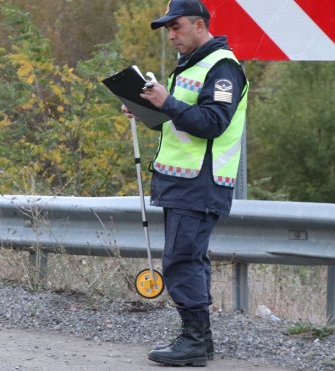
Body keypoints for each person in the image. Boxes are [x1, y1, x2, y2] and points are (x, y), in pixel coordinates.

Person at [122, 0, 248, 367]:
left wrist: (168, 102)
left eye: (176, 27)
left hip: (200, 182)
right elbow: (181, 122)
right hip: (182, 181)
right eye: (167, 29)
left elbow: (212, 123)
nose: (171, 35)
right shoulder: (189, 65)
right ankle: (200, 340)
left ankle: (193, 341)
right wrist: (148, 109)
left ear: (199, 24)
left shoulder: (223, 67)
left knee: (180, 260)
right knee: (190, 259)